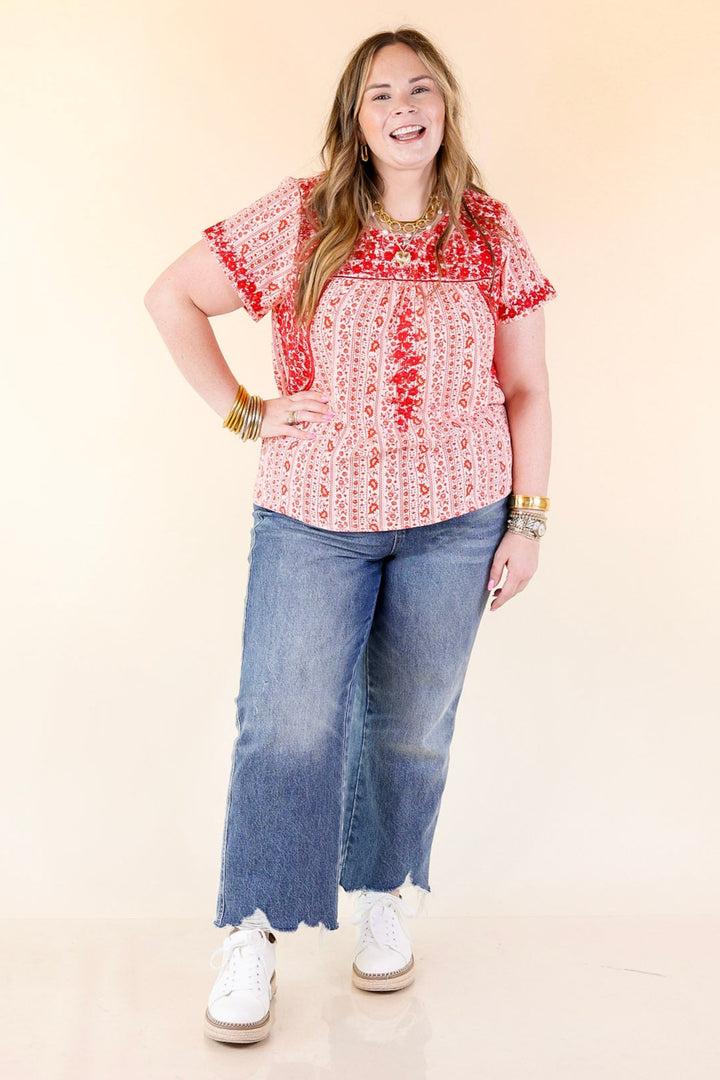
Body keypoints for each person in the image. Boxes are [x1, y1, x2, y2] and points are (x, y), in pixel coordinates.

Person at [144, 26, 555, 1045]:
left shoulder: (489, 233)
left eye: (421, 89)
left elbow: (527, 387)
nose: (404, 108)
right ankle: (251, 930)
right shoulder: (302, 215)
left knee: (413, 725)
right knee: (285, 723)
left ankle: (382, 892)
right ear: (355, 119)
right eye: (381, 95)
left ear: (445, 106)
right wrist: (244, 413)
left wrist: (528, 521)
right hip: (314, 517)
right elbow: (173, 296)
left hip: (457, 521)